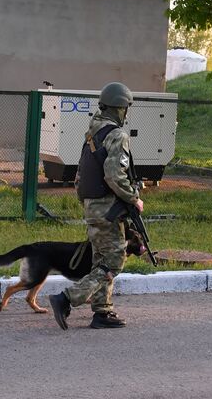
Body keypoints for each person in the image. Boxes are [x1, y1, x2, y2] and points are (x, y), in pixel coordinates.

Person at [49, 81, 143, 330]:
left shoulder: (93, 133)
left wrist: (87, 204)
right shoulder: (117, 135)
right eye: (126, 109)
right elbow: (115, 176)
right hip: (107, 209)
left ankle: (102, 312)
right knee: (113, 262)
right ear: (120, 108)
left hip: (93, 206)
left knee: (101, 260)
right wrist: (134, 198)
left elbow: (80, 174)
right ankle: (66, 299)